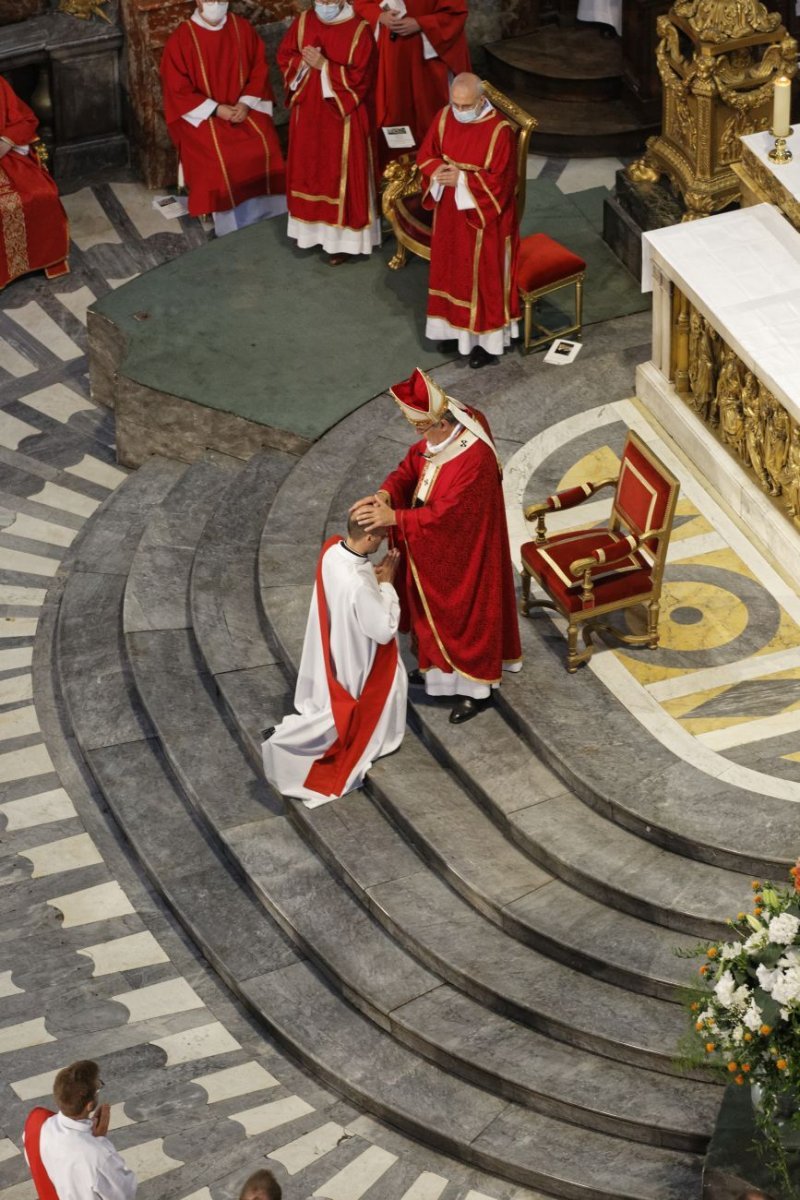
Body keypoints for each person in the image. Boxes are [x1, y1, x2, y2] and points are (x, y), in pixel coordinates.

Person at [350, 367, 521, 724]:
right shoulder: (447, 425)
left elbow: (450, 515)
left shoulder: (474, 460)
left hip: (463, 554)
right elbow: (411, 466)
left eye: (422, 428)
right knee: (430, 614)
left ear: (441, 422)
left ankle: (474, 690)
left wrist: (395, 519)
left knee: (462, 617)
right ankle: (436, 674)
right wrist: (386, 493)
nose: (419, 435)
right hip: (430, 548)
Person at [262, 515, 407, 804]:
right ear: (368, 539)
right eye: (380, 536)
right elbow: (383, 630)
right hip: (359, 654)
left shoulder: (332, 551)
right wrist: (387, 585)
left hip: (337, 641)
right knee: (391, 684)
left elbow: (354, 590)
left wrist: (371, 579)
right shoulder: (357, 584)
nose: (382, 541)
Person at [417, 73, 520, 368]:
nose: (460, 111)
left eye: (466, 105)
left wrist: (462, 179)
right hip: (449, 211)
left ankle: (484, 344)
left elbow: (502, 183)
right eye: (456, 104)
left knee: (480, 276)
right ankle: (452, 328)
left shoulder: (499, 131)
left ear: (481, 100)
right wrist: (439, 172)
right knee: (449, 269)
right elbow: (427, 154)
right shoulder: (444, 116)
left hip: (485, 218)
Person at [161, 1, 286, 237]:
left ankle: (271, 213)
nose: (216, 4)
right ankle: (228, 224)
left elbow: (259, 69)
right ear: (198, 1)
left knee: (264, 144)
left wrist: (245, 103)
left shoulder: (242, 29)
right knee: (220, 157)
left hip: (243, 109)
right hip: (205, 116)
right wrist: (216, 109)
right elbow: (177, 89)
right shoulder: (182, 39)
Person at [277, 0, 379, 265]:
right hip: (308, 114)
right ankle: (310, 233)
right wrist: (302, 63)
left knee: (338, 173)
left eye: (329, 0)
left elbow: (362, 78)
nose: (323, 4)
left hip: (343, 116)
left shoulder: (359, 30)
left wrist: (325, 66)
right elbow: (285, 57)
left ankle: (342, 242)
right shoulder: (303, 22)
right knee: (310, 170)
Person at [352, 0, 470, 167]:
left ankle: (431, 171)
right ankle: (389, 172)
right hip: (388, 58)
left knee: (428, 117)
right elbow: (361, 3)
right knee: (391, 111)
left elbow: (455, 14)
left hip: (427, 63)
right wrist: (379, 16)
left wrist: (420, 23)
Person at [24, 1060, 137, 1200]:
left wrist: (93, 1137)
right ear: (89, 1105)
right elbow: (125, 1193)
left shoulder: (36, 1121)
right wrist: (101, 1142)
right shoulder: (98, 1156)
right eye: (98, 1087)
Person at [0, 76, 69, 289]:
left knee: (38, 194)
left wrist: (4, 143)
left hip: (5, 158)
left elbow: (25, 119)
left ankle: (47, 259)